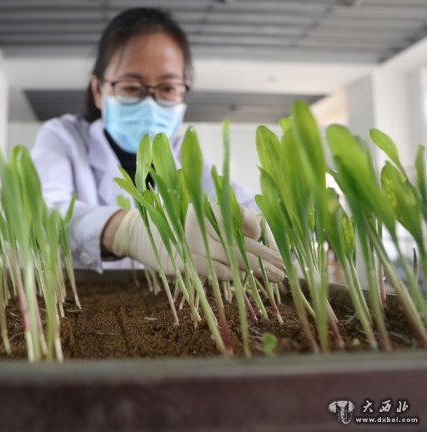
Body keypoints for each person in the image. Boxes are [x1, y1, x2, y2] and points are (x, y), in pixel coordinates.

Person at [31, 7, 284, 282]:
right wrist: (126, 230)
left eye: (167, 88)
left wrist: (266, 224)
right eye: (131, 87)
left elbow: (239, 206)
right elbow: (42, 212)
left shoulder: (184, 154)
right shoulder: (64, 137)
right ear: (98, 91)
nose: (150, 104)